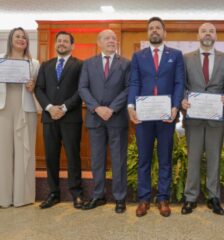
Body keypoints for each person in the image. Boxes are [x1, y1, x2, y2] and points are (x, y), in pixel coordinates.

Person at [128, 17, 185, 217]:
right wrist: (130, 106)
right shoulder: (138, 56)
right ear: (148, 32)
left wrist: (176, 106)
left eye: (158, 28)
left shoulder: (176, 55)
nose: (154, 31)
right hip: (143, 116)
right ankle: (143, 199)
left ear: (164, 32)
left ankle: (163, 198)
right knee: (144, 158)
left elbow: (179, 83)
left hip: (165, 116)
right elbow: (134, 82)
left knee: (165, 158)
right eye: (151, 28)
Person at [180, 23, 224, 215]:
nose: (207, 33)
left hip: (215, 118)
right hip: (193, 116)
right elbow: (182, 85)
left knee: (214, 158)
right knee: (192, 158)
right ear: (198, 35)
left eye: (211, 31)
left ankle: (213, 197)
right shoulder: (185, 59)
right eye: (204, 31)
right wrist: (182, 99)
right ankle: (190, 197)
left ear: (216, 35)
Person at [78, 29, 130, 214]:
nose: (111, 41)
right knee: (97, 160)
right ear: (99, 42)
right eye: (107, 38)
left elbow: (128, 88)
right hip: (95, 118)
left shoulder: (125, 63)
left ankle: (119, 197)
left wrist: (112, 108)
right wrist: (97, 108)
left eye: (114, 38)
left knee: (119, 160)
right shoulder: (88, 64)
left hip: (117, 118)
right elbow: (82, 88)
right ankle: (98, 195)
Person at [35, 31, 84, 209]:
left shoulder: (80, 65)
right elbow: (39, 89)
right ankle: (53, 193)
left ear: (72, 45)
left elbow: (81, 90)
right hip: (49, 118)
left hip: (70, 117)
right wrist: (49, 108)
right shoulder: (46, 65)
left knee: (73, 156)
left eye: (65, 41)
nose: (62, 43)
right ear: (56, 44)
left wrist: (63, 108)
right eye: (59, 41)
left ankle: (77, 194)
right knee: (51, 157)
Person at [0, 27, 40, 208]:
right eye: (17, 36)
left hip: (26, 109)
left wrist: (33, 86)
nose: (21, 39)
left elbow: (39, 89)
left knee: (26, 153)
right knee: (3, 153)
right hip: (4, 108)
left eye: (24, 37)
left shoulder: (34, 63)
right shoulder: (0, 59)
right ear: (10, 39)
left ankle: (22, 197)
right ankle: (3, 198)